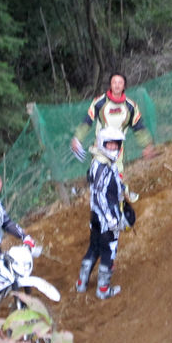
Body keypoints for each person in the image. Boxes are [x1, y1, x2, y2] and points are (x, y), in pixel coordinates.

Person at [70, 73, 155, 200]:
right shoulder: (99, 102)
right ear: (110, 85)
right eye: (114, 82)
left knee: (117, 173)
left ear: (124, 86)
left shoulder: (131, 106)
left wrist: (147, 145)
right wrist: (77, 138)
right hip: (100, 146)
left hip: (118, 148)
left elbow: (138, 127)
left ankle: (121, 196)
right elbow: (87, 120)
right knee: (98, 171)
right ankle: (87, 190)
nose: (117, 85)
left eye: (120, 83)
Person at [75, 126, 129, 299]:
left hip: (96, 216)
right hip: (106, 217)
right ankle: (103, 290)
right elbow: (100, 195)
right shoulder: (102, 166)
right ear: (102, 144)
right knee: (108, 251)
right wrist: (112, 219)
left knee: (94, 247)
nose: (113, 147)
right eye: (109, 144)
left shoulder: (99, 162)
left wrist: (122, 189)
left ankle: (81, 283)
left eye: (116, 144)